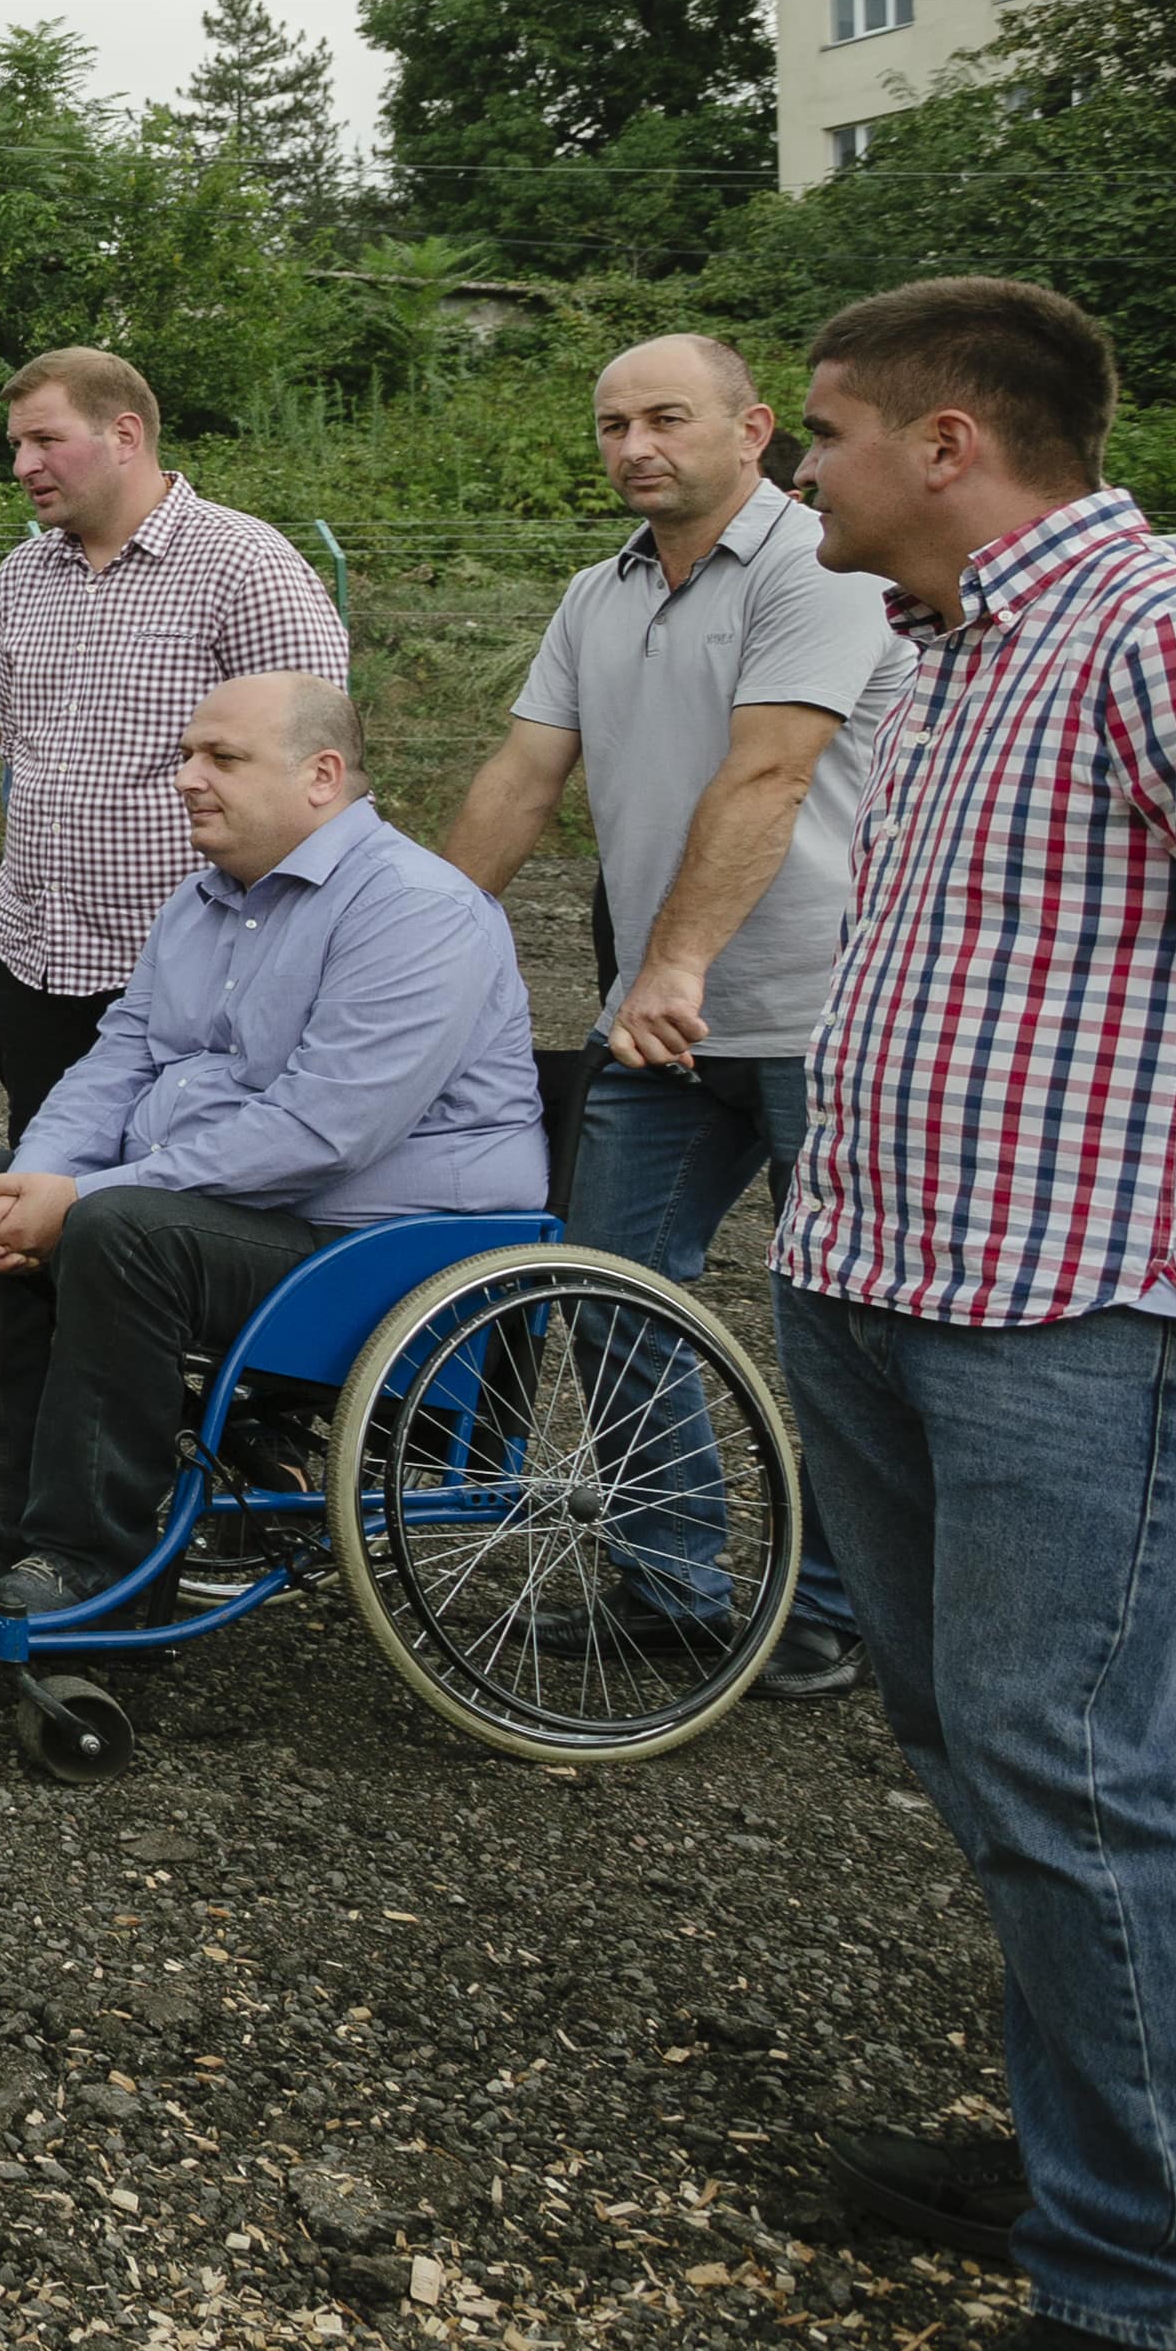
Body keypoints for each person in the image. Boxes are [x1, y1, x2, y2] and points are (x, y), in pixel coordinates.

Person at [767, 278, 1176, 2351]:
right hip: (894, 1287)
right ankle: (1093, 2146)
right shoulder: (947, 653)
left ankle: (1159, 2309)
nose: (798, 467)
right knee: (989, 1750)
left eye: (820, 431)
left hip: (1089, 1317)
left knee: (1079, 1779)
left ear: (951, 444)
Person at [0, 675, 544, 1624]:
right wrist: (36, 1179)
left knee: (122, 1228)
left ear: (321, 776)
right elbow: (120, 1057)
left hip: (385, 1250)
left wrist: (84, 1199)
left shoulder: (416, 908)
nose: (187, 778)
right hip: (238, 1217)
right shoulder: (203, 899)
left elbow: (325, 1130)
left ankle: (94, 1571)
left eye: (221, 758)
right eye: (186, 756)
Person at [440, 335, 915, 1701]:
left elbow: (770, 773)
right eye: (612, 424)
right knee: (605, 1287)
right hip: (663, 1018)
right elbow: (522, 776)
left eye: (665, 417)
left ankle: (833, 1608)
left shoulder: (823, 566)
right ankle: (672, 1585)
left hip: (828, 1015)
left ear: (752, 428)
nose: (634, 446)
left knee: (845, 1329)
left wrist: (675, 960)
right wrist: (410, 940)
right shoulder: (598, 594)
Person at [0, 348, 352, 1137]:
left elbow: (315, 785)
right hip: (32, 964)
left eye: (45, 440)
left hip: (192, 978)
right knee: (41, 1179)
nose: (23, 465)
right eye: (16, 445)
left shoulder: (247, 568)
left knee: (166, 1192)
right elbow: (18, 750)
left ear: (125, 435)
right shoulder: (21, 576)